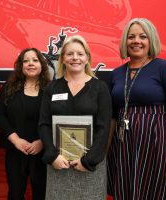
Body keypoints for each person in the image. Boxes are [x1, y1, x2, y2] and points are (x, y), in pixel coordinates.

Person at [106, 18, 166, 200]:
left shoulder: (164, 68)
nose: (136, 41)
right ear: (125, 41)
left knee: (155, 192)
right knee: (125, 192)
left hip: (155, 147)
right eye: (131, 36)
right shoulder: (116, 73)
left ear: (151, 40)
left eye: (143, 36)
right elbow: (111, 117)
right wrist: (105, 153)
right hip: (123, 147)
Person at [38, 35, 112, 200]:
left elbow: (104, 128)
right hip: (58, 164)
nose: (75, 58)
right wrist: (52, 155)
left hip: (90, 166)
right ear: (63, 58)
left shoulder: (100, 88)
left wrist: (89, 161)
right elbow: (44, 124)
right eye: (70, 54)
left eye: (80, 53)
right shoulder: (52, 88)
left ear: (87, 58)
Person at [0, 48, 51, 200]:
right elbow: (0, 115)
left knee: (42, 193)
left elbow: (56, 119)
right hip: (15, 150)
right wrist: (15, 140)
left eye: (35, 60)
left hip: (43, 152)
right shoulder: (9, 88)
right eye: (26, 61)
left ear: (42, 65)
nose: (30, 64)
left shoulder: (51, 89)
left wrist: (42, 142)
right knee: (15, 193)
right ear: (20, 66)